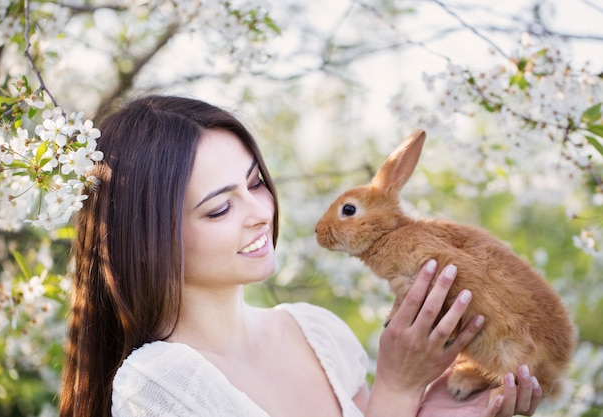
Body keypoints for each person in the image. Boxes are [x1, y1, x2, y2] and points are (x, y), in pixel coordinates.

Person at [59, 95, 543, 417]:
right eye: (220, 207)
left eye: (255, 184)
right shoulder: (157, 388)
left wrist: (425, 406)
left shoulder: (318, 331)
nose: (259, 213)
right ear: (149, 239)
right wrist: (396, 387)